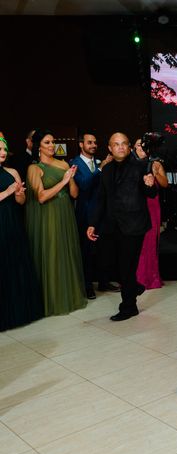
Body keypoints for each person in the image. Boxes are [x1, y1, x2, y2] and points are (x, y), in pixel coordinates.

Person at [87, 133, 157, 321]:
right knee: (109, 264)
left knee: (127, 267)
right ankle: (134, 287)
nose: (120, 147)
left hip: (134, 225)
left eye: (124, 144)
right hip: (111, 226)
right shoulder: (107, 170)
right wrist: (93, 223)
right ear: (109, 148)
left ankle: (128, 307)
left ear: (129, 147)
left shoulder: (140, 167)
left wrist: (151, 185)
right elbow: (101, 200)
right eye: (116, 144)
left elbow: (150, 193)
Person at [26, 129, 87, 316]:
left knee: (65, 252)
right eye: (47, 142)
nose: (52, 145)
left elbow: (74, 194)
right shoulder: (34, 169)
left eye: (53, 142)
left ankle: (68, 295)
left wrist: (71, 179)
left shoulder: (62, 164)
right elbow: (42, 197)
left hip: (65, 213)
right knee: (51, 252)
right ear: (38, 146)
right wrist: (64, 181)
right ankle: (52, 300)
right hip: (48, 216)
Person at [0, 136, 43, 330]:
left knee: (14, 263)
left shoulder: (12, 171)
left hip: (12, 223)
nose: (2, 152)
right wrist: (8, 192)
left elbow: (22, 201)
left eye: (3, 149)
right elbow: (8, 192)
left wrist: (19, 194)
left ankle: (19, 313)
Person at [69, 131, 118, 299]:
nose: (93, 145)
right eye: (90, 142)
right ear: (81, 144)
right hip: (86, 214)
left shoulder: (99, 162)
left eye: (95, 142)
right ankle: (88, 285)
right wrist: (100, 168)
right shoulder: (74, 163)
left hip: (104, 213)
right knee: (87, 251)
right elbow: (84, 185)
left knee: (105, 249)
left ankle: (104, 281)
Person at [133, 137, 168, 289]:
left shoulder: (156, 164)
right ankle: (135, 278)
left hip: (152, 206)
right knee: (136, 243)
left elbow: (165, 184)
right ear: (133, 148)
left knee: (150, 241)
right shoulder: (129, 165)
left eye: (143, 145)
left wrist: (156, 173)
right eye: (138, 145)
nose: (141, 148)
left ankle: (150, 277)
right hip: (134, 207)